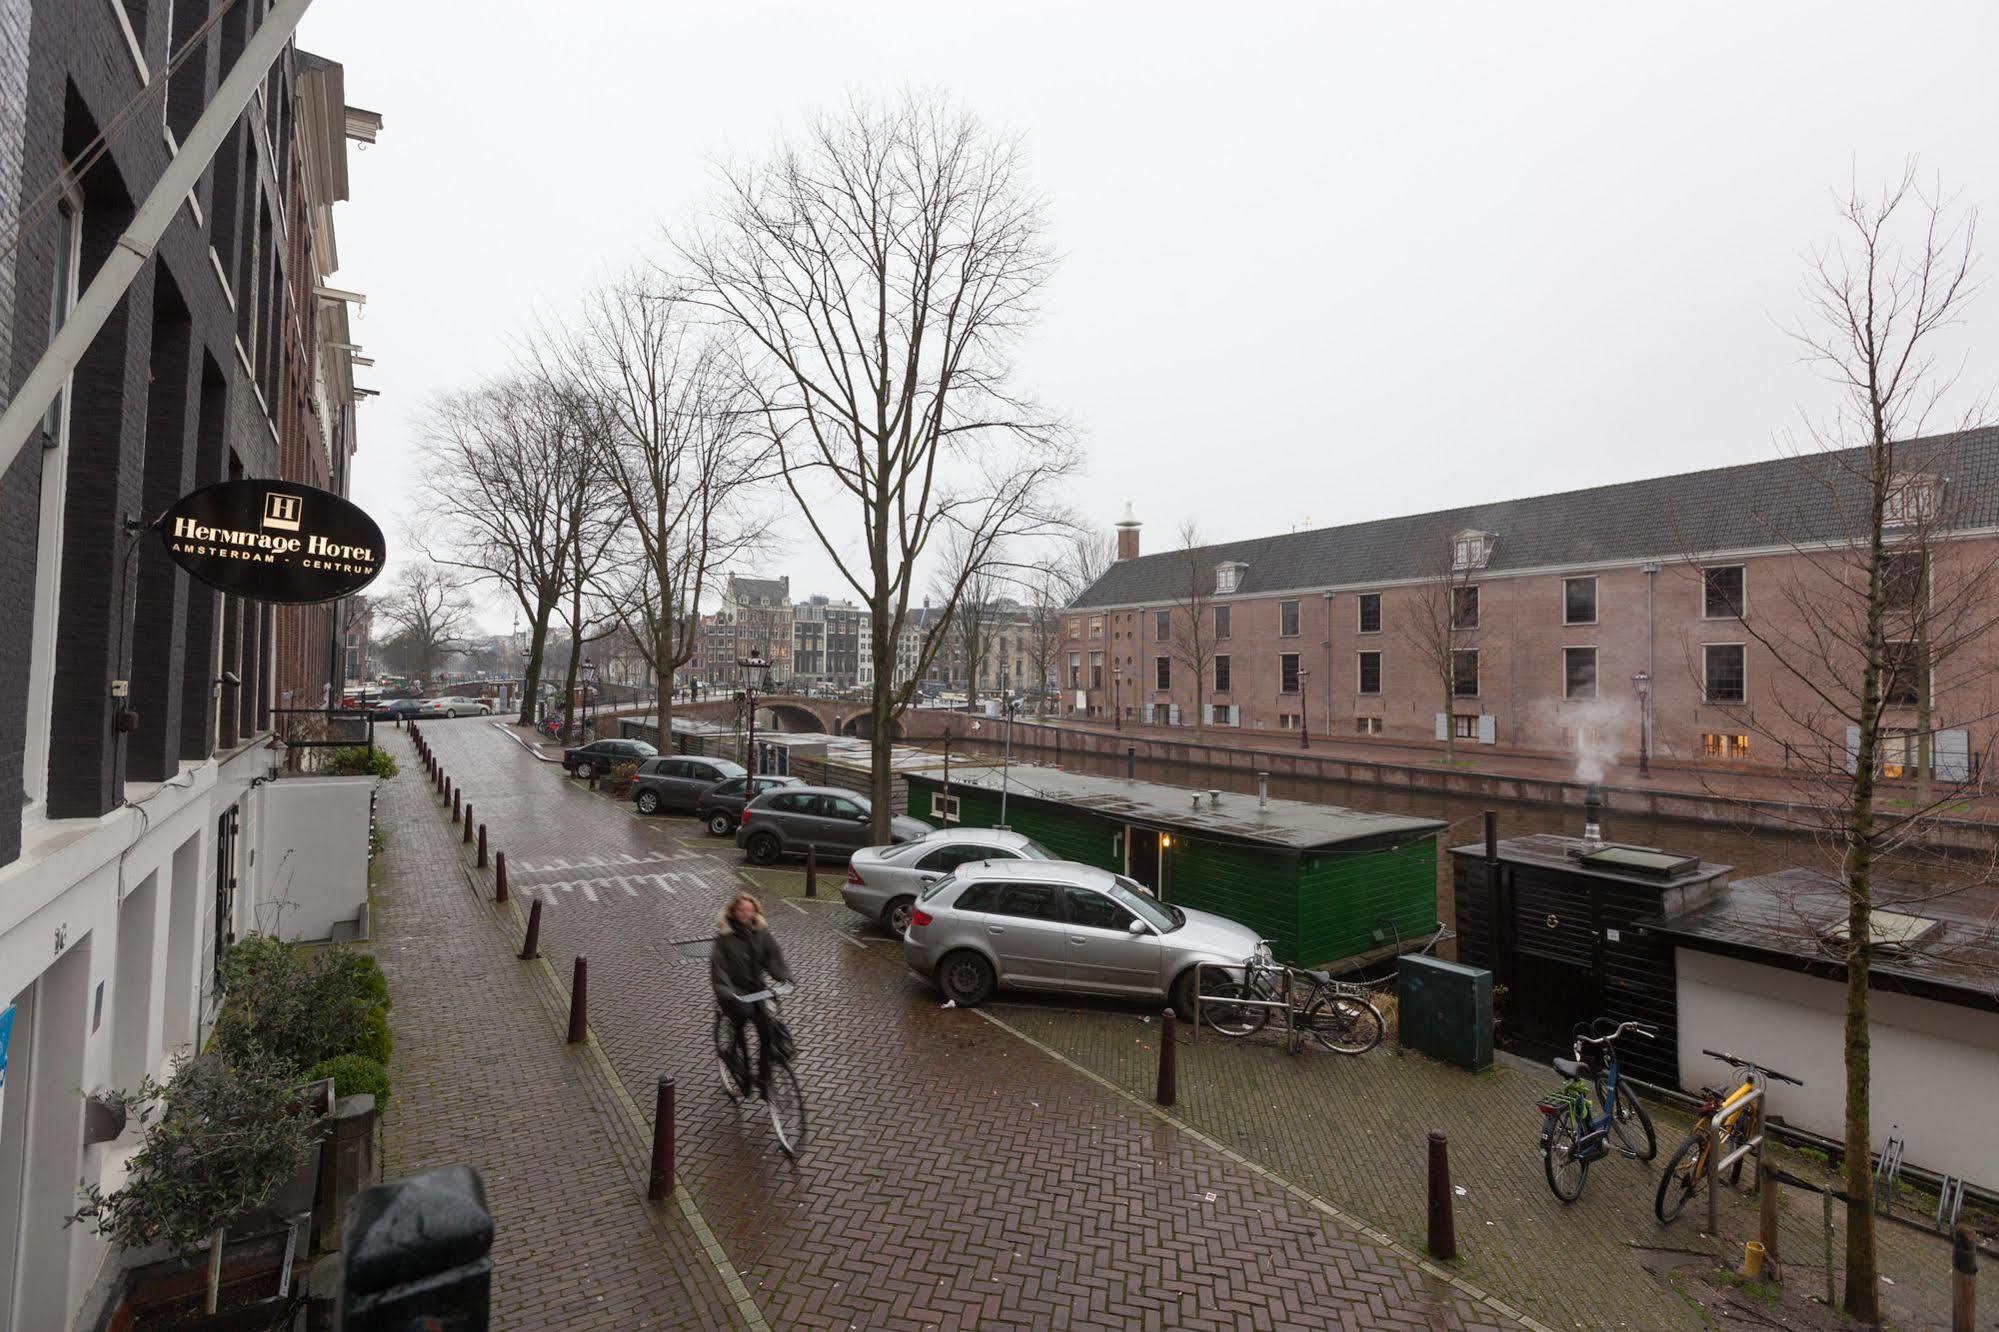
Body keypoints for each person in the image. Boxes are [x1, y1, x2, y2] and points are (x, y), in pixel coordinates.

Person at [711, 892, 792, 1097]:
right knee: (740, 1025)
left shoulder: (761, 933)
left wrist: (784, 977)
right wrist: (726, 991)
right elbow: (719, 970)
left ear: (755, 910)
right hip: (734, 994)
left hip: (757, 990)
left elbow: (773, 957)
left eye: (749, 909)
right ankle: (733, 1060)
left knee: (767, 1033)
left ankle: (763, 1080)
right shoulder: (725, 938)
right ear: (733, 912)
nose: (746, 914)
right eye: (741, 910)